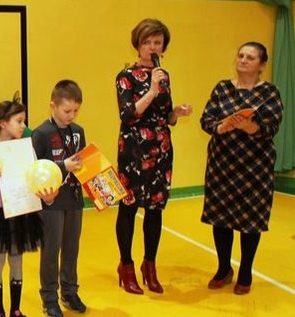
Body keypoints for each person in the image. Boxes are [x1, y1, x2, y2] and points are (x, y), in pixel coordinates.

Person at [199, 42, 283, 295]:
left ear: (262, 65)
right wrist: (221, 127)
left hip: (255, 166)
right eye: (241, 55)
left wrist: (250, 127)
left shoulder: (270, 93)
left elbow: (272, 126)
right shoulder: (222, 88)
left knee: (251, 220)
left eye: (250, 57)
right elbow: (206, 120)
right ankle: (224, 268)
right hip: (222, 164)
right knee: (220, 217)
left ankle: (245, 271)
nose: (243, 60)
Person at [115, 18, 192, 295]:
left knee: (155, 207)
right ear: (137, 45)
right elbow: (128, 114)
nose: (152, 47)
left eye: (157, 42)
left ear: (163, 46)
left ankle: (150, 265)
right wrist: (151, 90)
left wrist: (176, 113)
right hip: (134, 149)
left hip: (161, 147)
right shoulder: (125, 76)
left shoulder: (163, 75)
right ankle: (126, 265)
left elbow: (165, 116)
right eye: (147, 42)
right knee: (129, 206)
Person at [0, 100, 53, 317]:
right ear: (3, 123)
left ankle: (16, 310)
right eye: (19, 121)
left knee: (17, 261)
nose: (23, 126)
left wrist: (44, 192)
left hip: (21, 211)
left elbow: (33, 177)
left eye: (24, 121)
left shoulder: (26, 149)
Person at [31, 80, 87, 317]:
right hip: (51, 202)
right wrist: (64, 166)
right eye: (67, 111)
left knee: (72, 249)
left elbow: (83, 162)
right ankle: (49, 297)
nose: (71, 116)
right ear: (52, 106)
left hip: (74, 198)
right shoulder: (41, 133)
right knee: (51, 250)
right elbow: (35, 169)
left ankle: (70, 291)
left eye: (76, 111)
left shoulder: (78, 131)